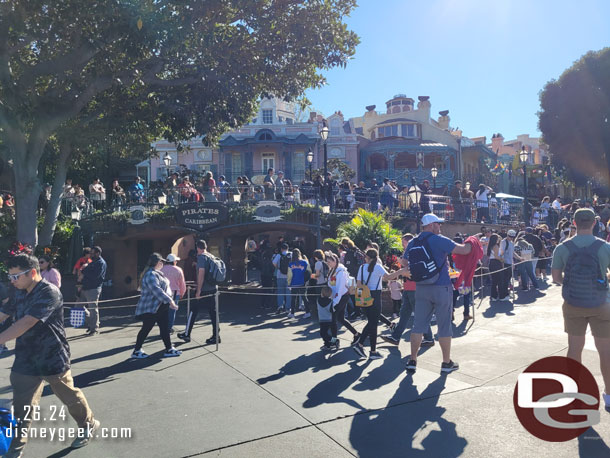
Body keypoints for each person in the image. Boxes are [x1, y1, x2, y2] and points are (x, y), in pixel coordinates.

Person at [0, 254, 100, 456]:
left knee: (69, 397)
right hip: (25, 359)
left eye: (16, 276)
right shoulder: (18, 290)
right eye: (10, 277)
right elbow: (3, 314)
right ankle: (15, 451)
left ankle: (88, 423)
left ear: (33, 273)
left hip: (52, 356)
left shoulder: (49, 292)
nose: (12, 281)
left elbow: (26, 322)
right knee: (21, 406)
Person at [551, 208, 610, 413]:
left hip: (574, 303)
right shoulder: (605, 247)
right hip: (601, 303)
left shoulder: (563, 247)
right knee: (606, 351)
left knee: (574, 348)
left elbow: (556, 278)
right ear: (595, 223)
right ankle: (609, 395)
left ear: (574, 223)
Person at [404, 213, 472, 374]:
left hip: (421, 288)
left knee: (418, 326)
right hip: (441, 287)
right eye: (438, 224)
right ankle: (446, 363)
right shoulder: (439, 239)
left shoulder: (413, 242)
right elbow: (464, 250)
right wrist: (472, 241)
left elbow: (405, 262)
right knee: (444, 327)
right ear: (431, 225)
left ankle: (412, 360)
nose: (440, 227)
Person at [381, 233, 434, 347]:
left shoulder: (414, 251)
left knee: (419, 315)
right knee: (404, 314)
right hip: (408, 287)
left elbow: (413, 267)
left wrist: (400, 266)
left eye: (403, 242)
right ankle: (396, 337)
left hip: (414, 288)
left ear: (409, 241)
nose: (402, 244)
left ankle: (429, 338)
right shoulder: (408, 252)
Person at [352, 249, 405, 360]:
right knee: (373, 323)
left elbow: (358, 284)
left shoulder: (362, 268)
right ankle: (367, 348)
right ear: (376, 257)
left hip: (364, 296)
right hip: (375, 296)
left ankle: (368, 348)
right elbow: (389, 277)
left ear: (366, 257)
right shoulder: (377, 267)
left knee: (372, 322)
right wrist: (400, 271)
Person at [132, 253, 181, 359]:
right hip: (151, 307)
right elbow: (156, 290)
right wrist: (170, 301)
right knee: (146, 328)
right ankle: (136, 350)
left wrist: (168, 301)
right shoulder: (150, 274)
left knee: (164, 328)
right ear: (157, 263)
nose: (163, 263)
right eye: (161, 262)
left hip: (160, 306)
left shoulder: (155, 273)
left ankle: (168, 348)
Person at [178, 240, 220, 345]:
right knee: (213, 312)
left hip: (204, 289)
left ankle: (187, 334)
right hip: (213, 288)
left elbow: (201, 274)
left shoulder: (201, 257)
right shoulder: (210, 256)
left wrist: (198, 290)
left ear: (198, 248)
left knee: (193, 310)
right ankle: (216, 336)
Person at [325, 252, 360, 344]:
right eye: (327, 262)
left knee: (333, 318)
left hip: (341, 297)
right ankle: (356, 334)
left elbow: (340, 288)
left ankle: (334, 340)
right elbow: (331, 285)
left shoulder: (341, 272)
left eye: (329, 262)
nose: (328, 263)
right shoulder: (333, 270)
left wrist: (335, 301)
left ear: (335, 261)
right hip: (336, 297)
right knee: (340, 319)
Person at [80, 246, 107, 335]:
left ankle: (94, 328)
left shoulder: (100, 263)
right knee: (78, 307)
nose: (90, 255)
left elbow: (95, 276)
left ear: (97, 253)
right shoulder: (92, 262)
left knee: (93, 308)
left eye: (92, 253)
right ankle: (91, 323)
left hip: (93, 288)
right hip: (85, 287)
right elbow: (85, 271)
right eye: (90, 253)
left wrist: (85, 269)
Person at [161, 253, 187, 334]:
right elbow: (182, 283)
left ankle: (163, 327)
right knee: (172, 311)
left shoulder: (161, 269)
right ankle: (169, 328)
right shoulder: (178, 270)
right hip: (175, 292)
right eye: (176, 260)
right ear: (174, 261)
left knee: (162, 311)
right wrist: (182, 292)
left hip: (163, 292)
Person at [288, 248, 309, 319]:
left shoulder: (290, 264)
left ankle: (292, 313)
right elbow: (309, 272)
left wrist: (289, 283)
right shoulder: (305, 262)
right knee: (304, 297)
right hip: (303, 282)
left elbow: (289, 275)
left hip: (294, 283)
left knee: (293, 299)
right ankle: (308, 312)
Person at [317, 286, 338, 351]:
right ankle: (332, 342)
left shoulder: (318, 299)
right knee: (325, 333)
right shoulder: (331, 302)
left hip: (322, 319)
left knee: (323, 333)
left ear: (322, 293)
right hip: (329, 319)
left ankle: (329, 343)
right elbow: (333, 311)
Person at [273, 242, 291, 314]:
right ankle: (288, 308)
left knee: (280, 292)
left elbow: (274, 263)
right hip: (289, 277)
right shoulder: (291, 254)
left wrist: (278, 268)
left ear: (281, 249)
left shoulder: (278, 255)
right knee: (289, 293)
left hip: (280, 276)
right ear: (288, 248)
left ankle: (280, 306)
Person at [487, 234, 504, 300]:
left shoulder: (491, 246)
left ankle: (494, 296)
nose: (498, 240)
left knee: (494, 281)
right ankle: (501, 296)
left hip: (492, 263)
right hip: (496, 263)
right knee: (499, 281)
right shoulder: (495, 246)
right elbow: (497, 256)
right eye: (497, 239)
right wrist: (502, 259)